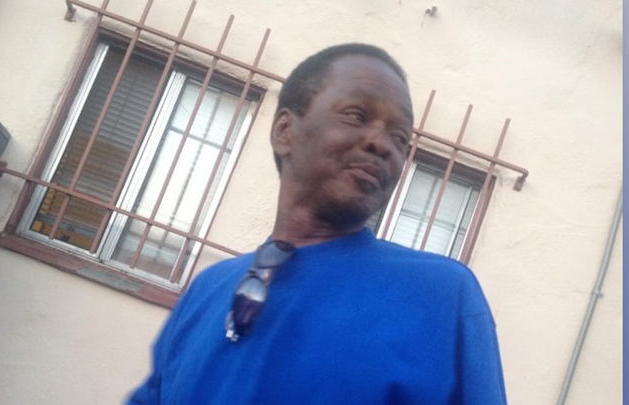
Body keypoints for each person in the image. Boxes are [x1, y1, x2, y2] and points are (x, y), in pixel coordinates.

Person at [127, 44, 507, 405]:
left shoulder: (442, 297)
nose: (382, 144)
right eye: (357, 115)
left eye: (400, 138)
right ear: (284, 131)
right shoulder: (207, 290)